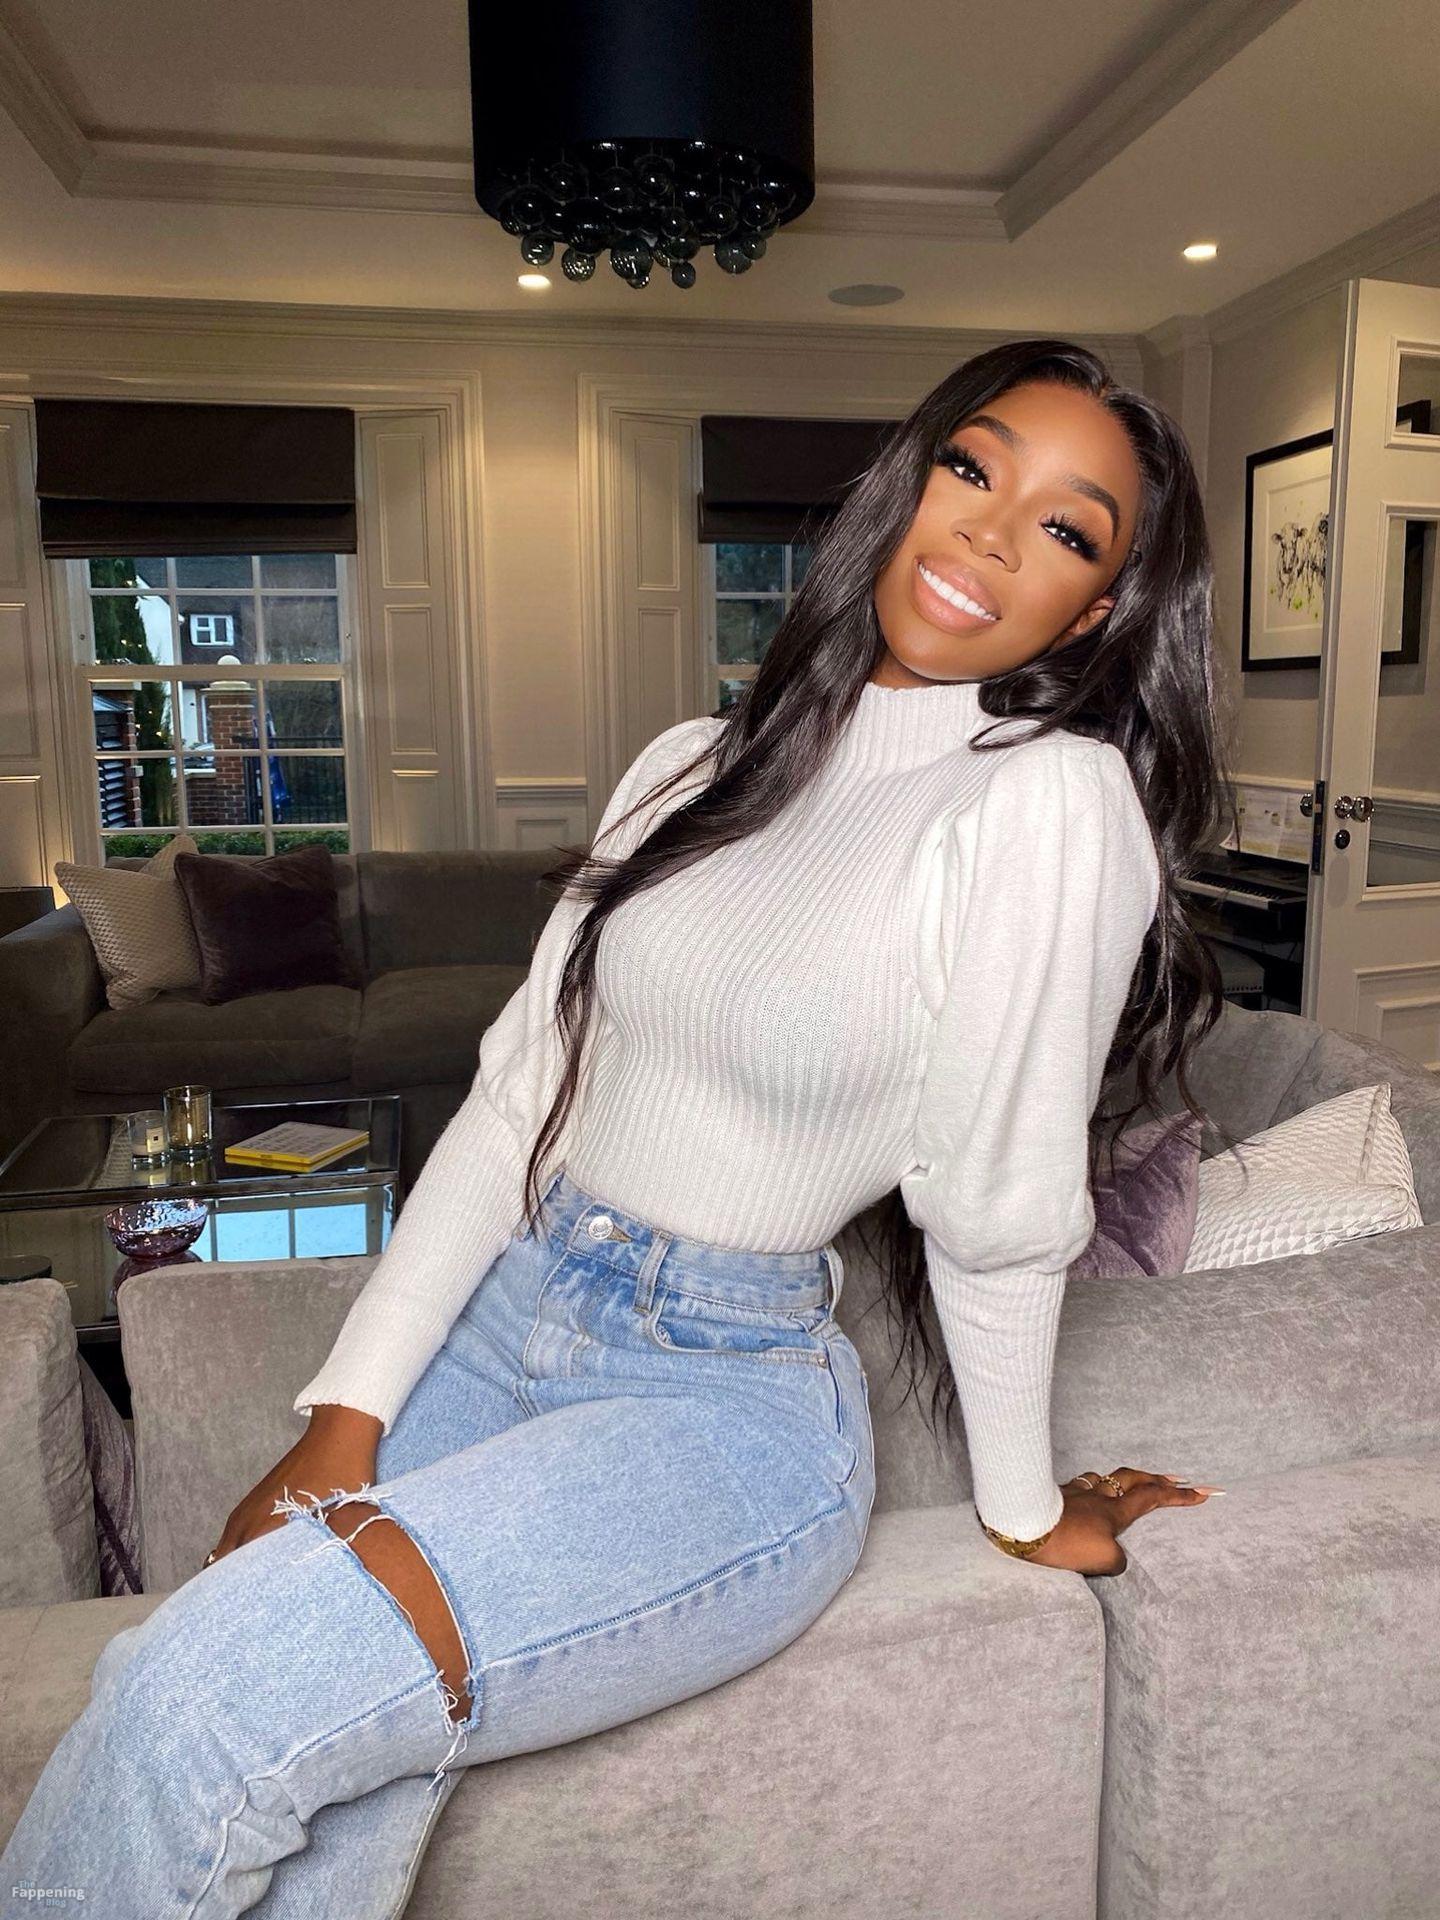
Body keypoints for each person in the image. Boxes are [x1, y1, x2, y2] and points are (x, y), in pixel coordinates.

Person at [1, 338, 1236, 1915]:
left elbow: (996, 1206)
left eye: (1066, 528)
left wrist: (1024, 1509)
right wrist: (346, 1412)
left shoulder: (1047, 805)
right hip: (503, 1309)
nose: (993, 533)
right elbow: (522, 1095)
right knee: (308, 1807)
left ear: (1101, 608)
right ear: (910, 482)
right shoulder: (686, 768)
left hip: (720, 1407)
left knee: (191, 1701)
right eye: (973, 468)